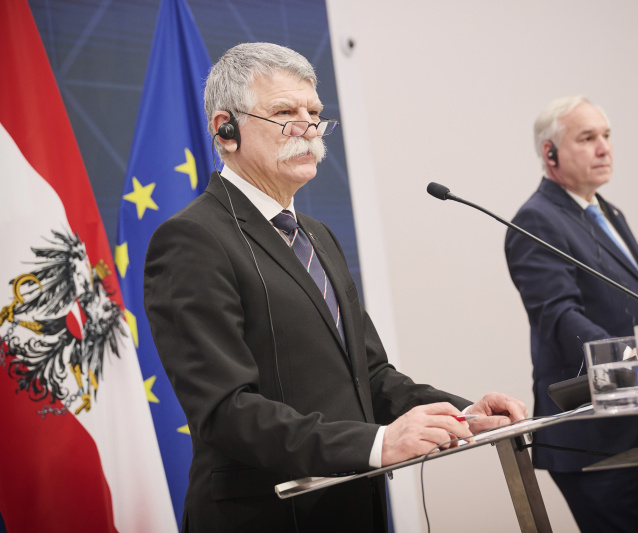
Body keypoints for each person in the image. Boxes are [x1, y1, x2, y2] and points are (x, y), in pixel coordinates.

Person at [143, 42, 527, 533]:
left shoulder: (318, 236)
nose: (308, 129)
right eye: (285, 113)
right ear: (226, 130)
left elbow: (370, 376)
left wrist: (462, 414)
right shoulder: (192, 239)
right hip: (265, 516)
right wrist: (375, 445)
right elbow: (225, 410)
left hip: (351, 506)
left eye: (315, 114)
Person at [504, 95, 638, 532]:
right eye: (588, 137)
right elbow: (560, 320)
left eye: (607, 136)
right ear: (550, 153)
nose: (604, 148)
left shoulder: (608, 212)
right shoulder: (535, 221)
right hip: (597, 435)